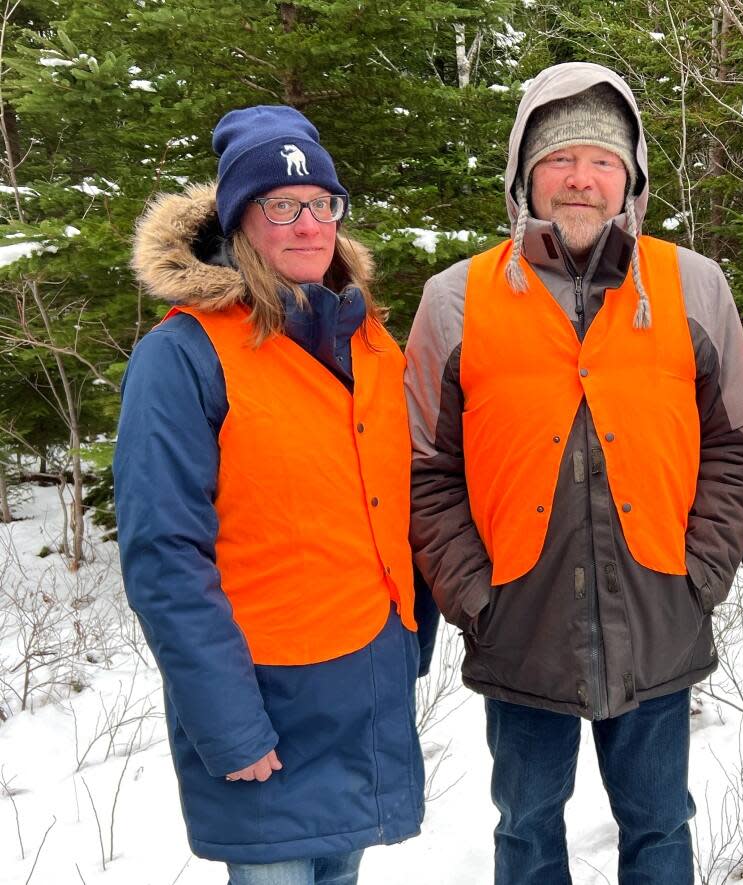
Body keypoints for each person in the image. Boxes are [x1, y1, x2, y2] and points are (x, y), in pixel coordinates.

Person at [405, 62, 743, 885]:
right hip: (519, 622)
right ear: (524, 175)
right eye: (560, 157)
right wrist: (473, 593)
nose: (580, 178)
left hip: (659, 613)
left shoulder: (692, 287)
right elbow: (425, 466)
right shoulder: (455, 298)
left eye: (603, 161)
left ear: (631, 181)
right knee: (526, 826)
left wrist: (698, 572)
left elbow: (739, 440)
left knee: (661, 823)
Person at [114, 105, 434, 885]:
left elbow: (390, 503)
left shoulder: (370, 342)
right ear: (239, 222)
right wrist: (229, 725)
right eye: (280, 206)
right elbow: (164, 558)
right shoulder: (184, 354)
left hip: (358, 683)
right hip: (263, 700)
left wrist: (405, 645)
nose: (307, 224)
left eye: (322, 203)